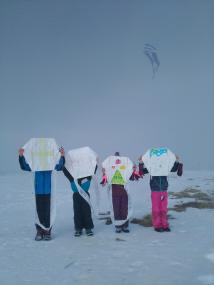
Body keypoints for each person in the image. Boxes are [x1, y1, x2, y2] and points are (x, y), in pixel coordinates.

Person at [18, 146, 65, 240]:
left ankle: (47, 231)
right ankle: (39, 231)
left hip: (48, 191)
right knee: (39, 212)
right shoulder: (35, 164)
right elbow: (24, 166)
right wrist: (21, 156)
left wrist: (62, 156)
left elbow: (60, 167)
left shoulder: (51, 164)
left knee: (48, 211)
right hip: (38, 191)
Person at [139, 152, 183, 232]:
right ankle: (157, 225)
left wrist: (176, 160)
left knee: (163, 209)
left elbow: (174, 169)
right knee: (156, 209)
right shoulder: (151, 167)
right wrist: (141, 162)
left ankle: (165, 225)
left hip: (164, 190)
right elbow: (142, 172)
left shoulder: (165, 167)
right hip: (155, 190)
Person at [101, 152, 140, 233]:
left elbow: (133, 178)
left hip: (124, 193)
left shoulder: (125, 169)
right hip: (115, 193)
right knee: (116, 209)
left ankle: (125, 225)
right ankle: (118, 226)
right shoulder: (110, 170)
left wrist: (133, 170)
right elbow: (105, 181)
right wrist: (104, 172)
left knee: (124, 209)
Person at [63, 167, 96, 237]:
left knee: (87, 212)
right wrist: (63, 158)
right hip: (76, 195)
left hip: (85, 195)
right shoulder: (72, 176)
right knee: (77, 212)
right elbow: (65, 170)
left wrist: (95, 161)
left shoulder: (87, 175)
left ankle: (88, 228)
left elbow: (93, 168)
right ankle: (78, 228)